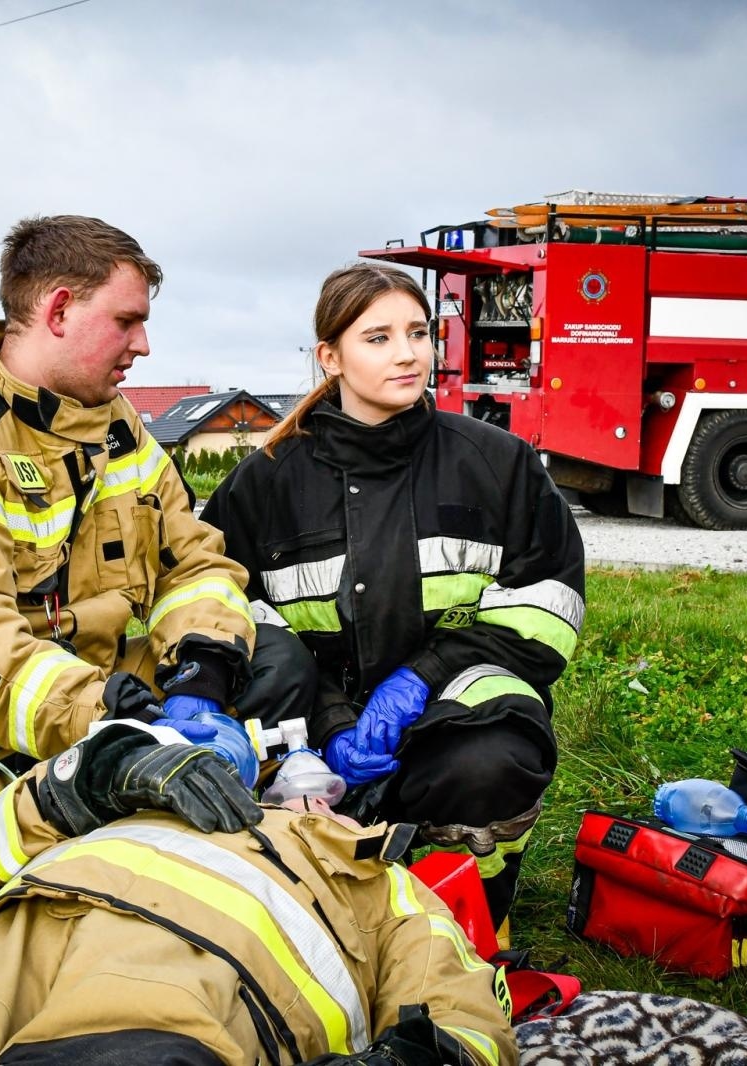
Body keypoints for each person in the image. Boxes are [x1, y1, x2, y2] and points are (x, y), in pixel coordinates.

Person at [0, 215, 313, 955]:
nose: (143, 345)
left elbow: (198, 562)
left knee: (271, 655)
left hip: (87, 704)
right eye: (127, 322)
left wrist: (200, 683)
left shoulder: (116, 428)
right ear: (56, 311)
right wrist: (117, 732)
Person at [0, 725, 516, 1065]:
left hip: (177, 986)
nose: (308, 796)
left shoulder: (379, 881)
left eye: (330, 794)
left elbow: (465, 1008)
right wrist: (87, 780)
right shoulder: (170, 795)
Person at [201, 264, 586, 928]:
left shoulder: (497, 463)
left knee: (494, 761)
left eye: (418, 332)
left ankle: (472, 911)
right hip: (309, 740)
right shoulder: (263, 484)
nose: (408, 354)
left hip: (448, 720)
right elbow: (231, 613)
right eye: (377, 337)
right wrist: (330, 724)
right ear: (331, 356)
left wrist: (418, 680)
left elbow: (546, 603)